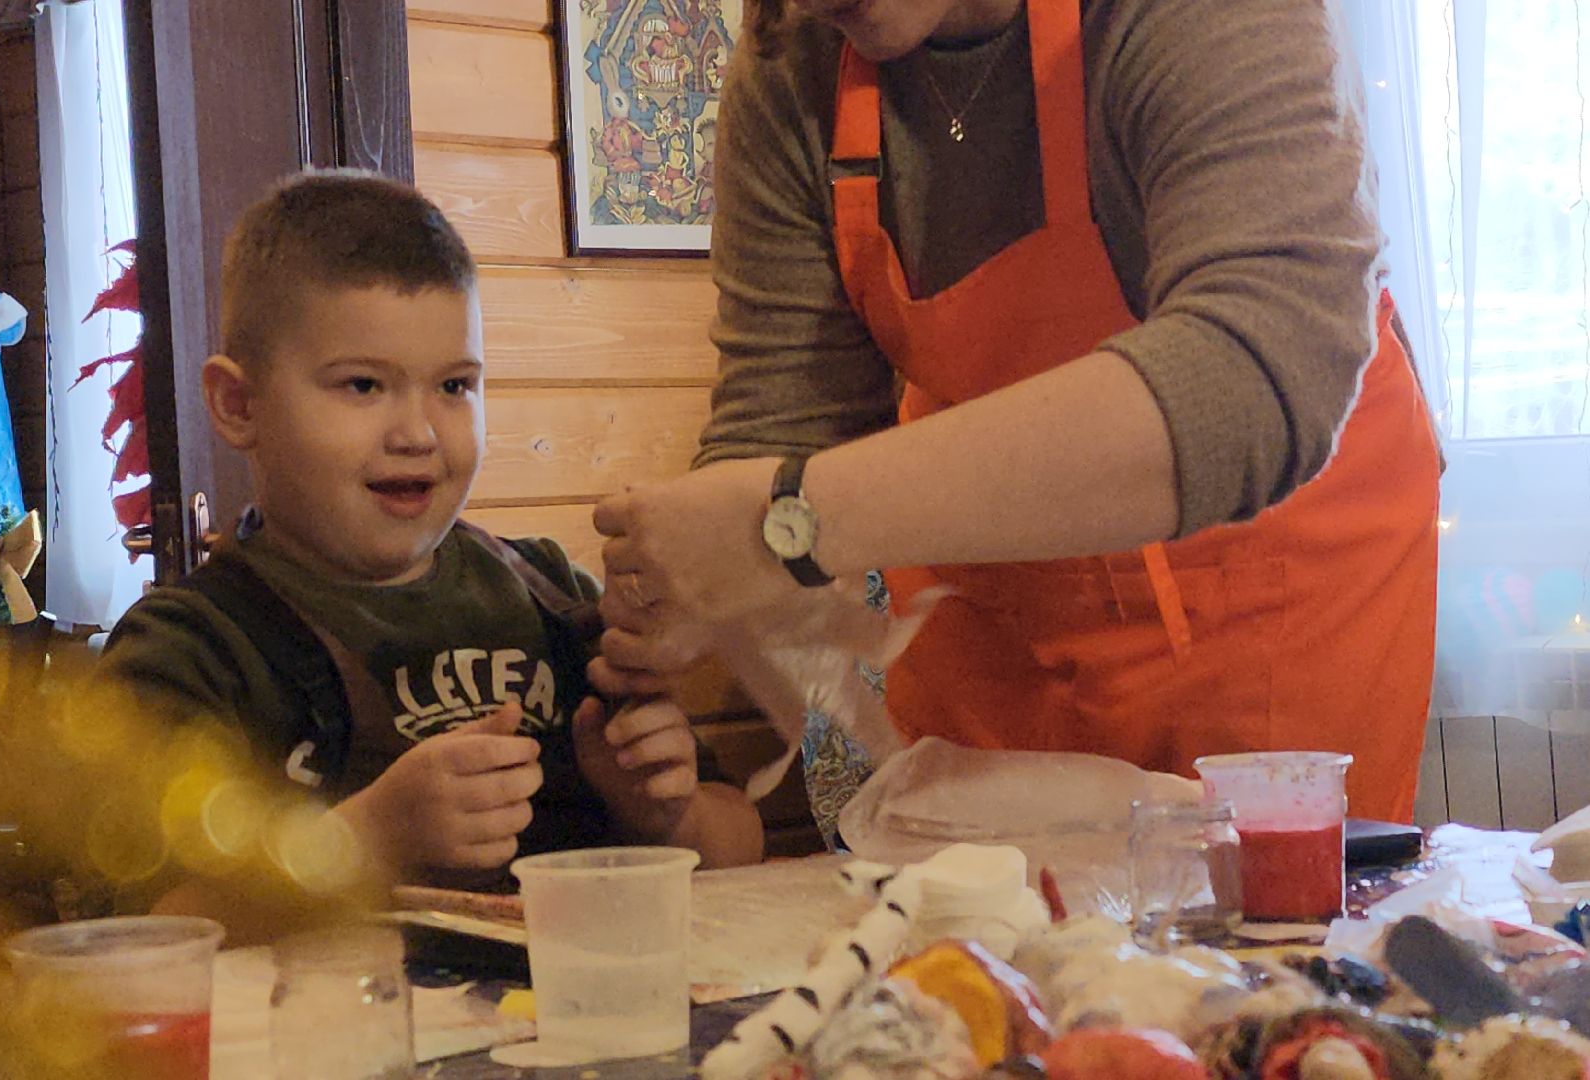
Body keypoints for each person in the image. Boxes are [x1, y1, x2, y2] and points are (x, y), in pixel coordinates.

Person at [591, 0, 1441, 823]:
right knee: (993, 943)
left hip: (1278, 590)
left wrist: (788, 523)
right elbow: (777, 426)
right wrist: (703, 586)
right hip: (996, 620)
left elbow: (1252, 373)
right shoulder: (792, 53)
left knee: (1268, 950)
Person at [98, 171, 763, 908]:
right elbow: (145, 933)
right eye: (361, 386)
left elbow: (739, 842)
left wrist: (666, 815)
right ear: (239, 404)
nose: (416, 434)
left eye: (454, 387)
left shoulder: (554, 599)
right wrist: (367, 842)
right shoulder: (191, 649)